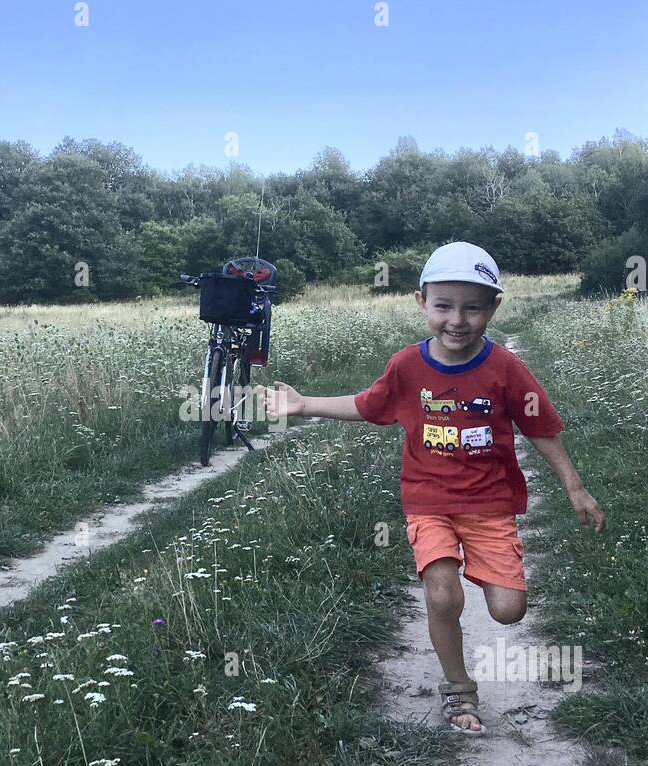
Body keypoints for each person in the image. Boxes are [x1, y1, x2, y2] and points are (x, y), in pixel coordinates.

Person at [254, 241, 604, 734]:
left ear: (494, 308)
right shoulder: (407, 367)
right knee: (442, 595)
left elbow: (540, 427)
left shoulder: (505, 369)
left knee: (508, 611)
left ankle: (486, 567)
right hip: (428, 502)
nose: (456, 320)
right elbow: (368, 406)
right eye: (443, 306)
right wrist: (304, 403)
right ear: (422, 302)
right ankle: (459, 691)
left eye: (472, 308)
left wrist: (574, 487)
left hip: (489, 505)